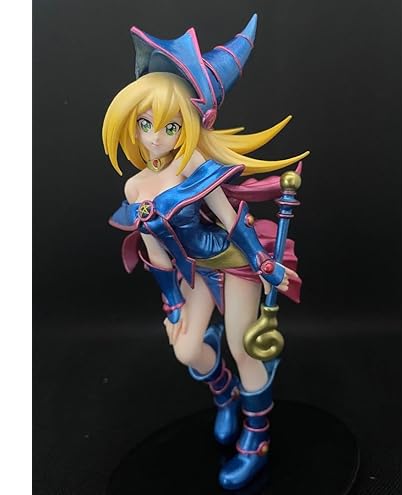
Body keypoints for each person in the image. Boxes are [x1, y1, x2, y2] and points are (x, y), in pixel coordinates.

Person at [103, 13, 309, 490]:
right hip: (192, 272)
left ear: (191, 126)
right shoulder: (136, 186)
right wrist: (172, 303)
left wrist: (262, 263)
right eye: (146, 124)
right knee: (187, 348)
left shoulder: (195, 164)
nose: (155, 137)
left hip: (233, 265)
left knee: (243, 346)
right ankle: (225, 397)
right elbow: (154, 247)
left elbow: (230, 217)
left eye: (170, 127)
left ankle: (256, 437)